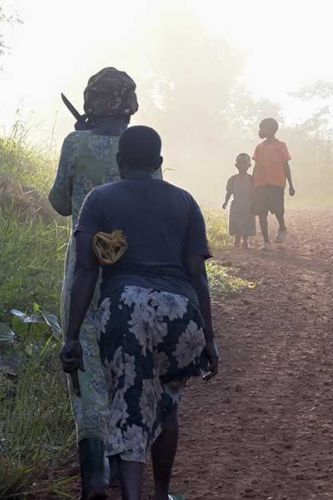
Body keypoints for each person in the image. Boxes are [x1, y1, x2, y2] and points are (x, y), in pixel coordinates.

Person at [60, 126, 220, 500]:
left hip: (125, 310)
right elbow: (198, 275)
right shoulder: (184, 201)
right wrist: (209, 339)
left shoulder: (100, 199)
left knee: (129, 402)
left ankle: (132, 495)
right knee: (166, 403)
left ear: (119, 162)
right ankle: (161, 493)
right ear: (158, 163)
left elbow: (86, 270)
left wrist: (72, 336)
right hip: (179, 312)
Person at [49, 66, 143, 500]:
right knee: (125, 368)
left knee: (86, 370)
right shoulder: (139, 147)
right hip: (131, 274)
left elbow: (60, 203)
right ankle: (125, 471)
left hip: (83, 273)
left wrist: (79, 144)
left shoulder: (76, 144)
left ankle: (94, 477)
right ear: (130, 106)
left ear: (89, 103)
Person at [252, 117, 295, 249]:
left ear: (271, 130)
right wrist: (253, 184)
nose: (260, 131)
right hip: (261, 184)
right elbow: (256, 166)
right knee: (262, 213)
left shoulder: (281, 146)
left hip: (277, 183)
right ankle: (266, 242)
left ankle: (282, 227)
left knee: (278, 210)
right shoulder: (259, 147)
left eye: (262, 128)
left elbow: (285, 165)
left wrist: (291, 184)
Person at [222, 153, 256, 249]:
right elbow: (229, 192)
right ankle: (237, 239)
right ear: (236, 166)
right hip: (236, 204)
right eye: (240, 163)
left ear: (249, 166)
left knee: (247, 222)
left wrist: (255, 204)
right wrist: (225, 202)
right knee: (235, 221)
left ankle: (245, 241)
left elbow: (254, 193)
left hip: (248, 204)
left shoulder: (251, 179)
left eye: (245, 163)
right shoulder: (232, 179)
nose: (242, 166)